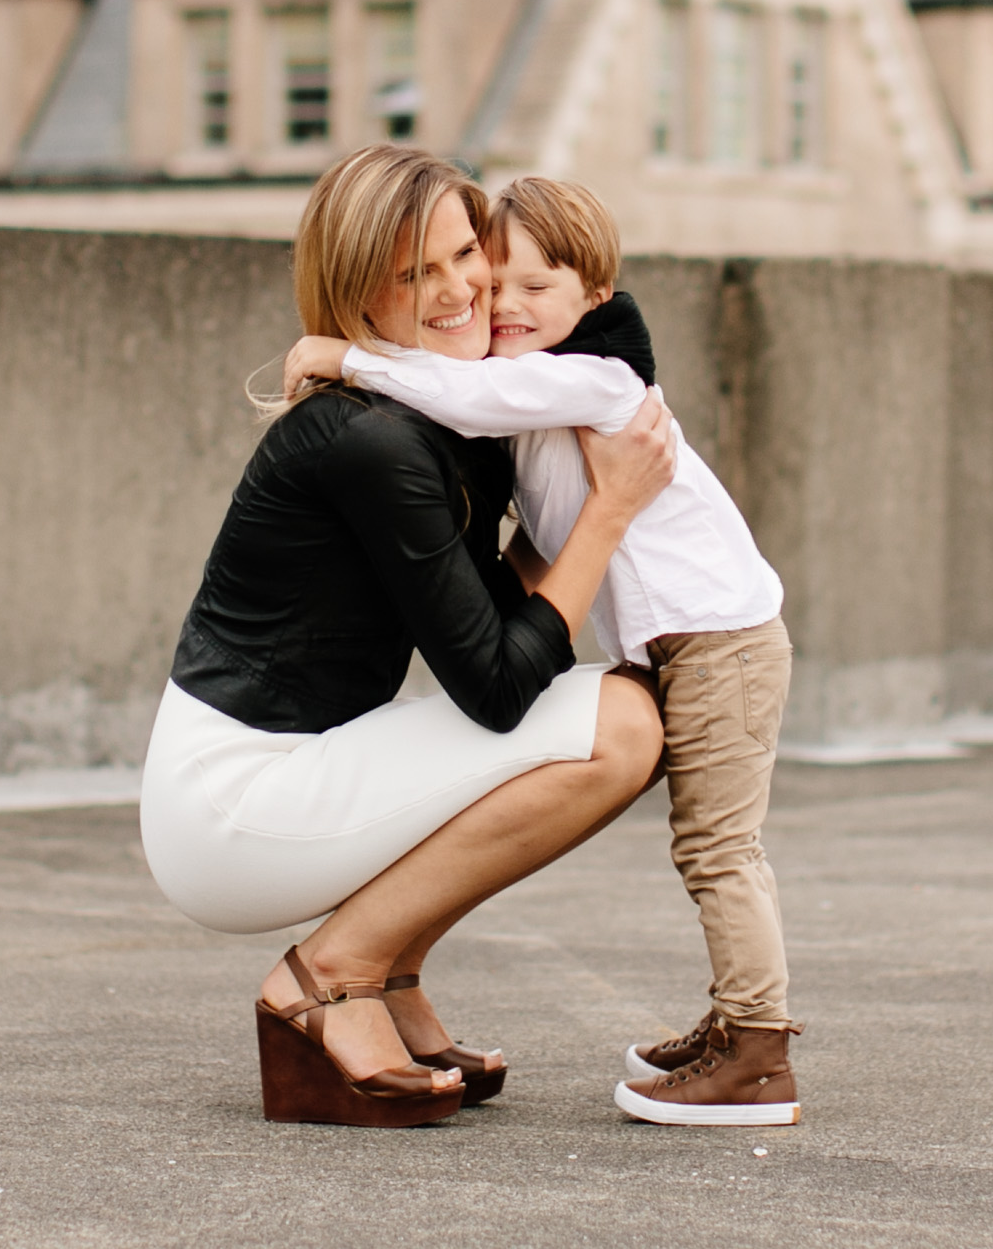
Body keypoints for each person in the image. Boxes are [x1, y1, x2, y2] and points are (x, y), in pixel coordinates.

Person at [139, 147, 677, 1129]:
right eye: (412, 274)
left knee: (624, 706)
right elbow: (497, 686)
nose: (459, 287)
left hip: (298, 773)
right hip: (233, 806)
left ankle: (387, 968)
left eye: (464, 251)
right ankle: (331, 973)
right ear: (358, 299)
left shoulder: (436, 424)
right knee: (622, 723)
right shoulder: (370, 440)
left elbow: (487, 628)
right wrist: (607, 514)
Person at [284, 176, 800, 1127]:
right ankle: (737, 1020)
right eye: (499, 281)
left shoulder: (596, 376)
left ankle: (759, 1052)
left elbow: (472, 398)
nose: (508, 306)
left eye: (541, 285)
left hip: (721, 642)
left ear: (595, 295)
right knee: (707, 847)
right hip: (685, 643)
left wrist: (346, 358)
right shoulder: (553, 386)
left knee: (719, 848)